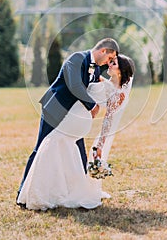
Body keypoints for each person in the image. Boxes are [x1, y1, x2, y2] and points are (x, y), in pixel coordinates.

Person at [17, 54, 135, 210]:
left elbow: (108, 120)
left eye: (114, 63)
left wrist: (100, 144)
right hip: (73, 117)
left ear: (121, 71)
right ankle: (60, 189)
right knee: (60, 149)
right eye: (111, 61)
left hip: (78, 121)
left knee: (50, 144)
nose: (110, 64)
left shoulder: (118, 93)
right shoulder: (103, 80)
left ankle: (42, 193)